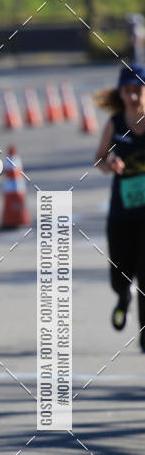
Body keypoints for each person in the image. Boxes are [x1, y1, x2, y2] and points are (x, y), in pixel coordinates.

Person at [94, 63, 145, 352]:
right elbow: (99, 158)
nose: (133, 97)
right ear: (121, 93)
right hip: (121, 213)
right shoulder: (115, 124)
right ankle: (122, 296)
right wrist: (109, 164)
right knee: (120, 274)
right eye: (127, 91)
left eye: (138, 90)